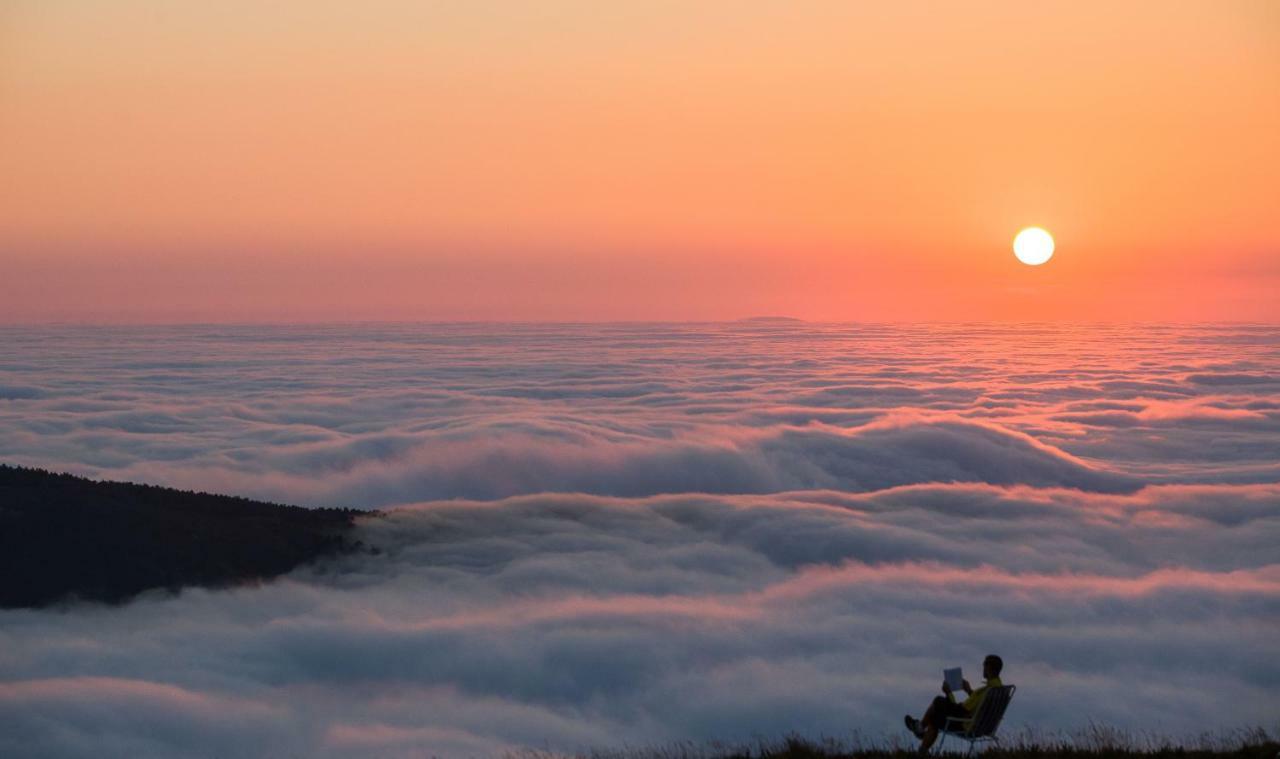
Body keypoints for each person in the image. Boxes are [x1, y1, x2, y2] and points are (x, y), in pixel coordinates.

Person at [904, 654, 1003, 754]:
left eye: (985, 665)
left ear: (990, 668)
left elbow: (960, 711)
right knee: (935, 717)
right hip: (984, 727)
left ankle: (920, 730)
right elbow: (978, 705)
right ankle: (921, 741)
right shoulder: (998, 689)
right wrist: (968, 690)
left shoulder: (986, 691)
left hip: (967, 725)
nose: (983, 668)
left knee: (938, 701)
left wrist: (948, 693)